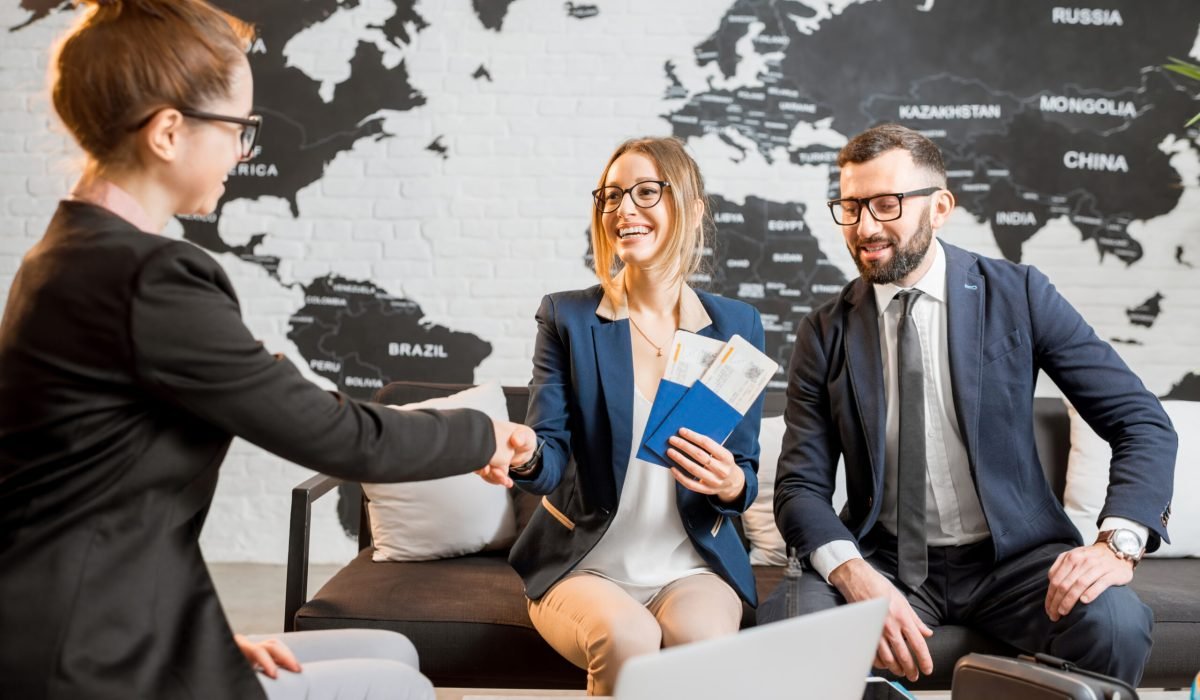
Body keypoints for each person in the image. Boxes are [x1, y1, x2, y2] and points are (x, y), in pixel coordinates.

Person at [0, 1, 534, 698]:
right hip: (87, 654)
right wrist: (484, 433)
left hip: (85, 619)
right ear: (168, 132)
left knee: (393, 655)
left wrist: (196, 636)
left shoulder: (64, 254)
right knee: (396, 687)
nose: (245, 151)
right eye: (237, 129)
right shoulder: (149, 279)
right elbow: (339, 437)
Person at [760, 124, 1177, 687]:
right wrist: (855, 574)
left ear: (941, 206)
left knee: (1115, 623)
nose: (865, 227)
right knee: (796, 626)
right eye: (851, 207)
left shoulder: (1019, 294)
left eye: (886, 204)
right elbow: (800, 488)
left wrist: (1117, 544)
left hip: (1017, 563)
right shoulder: (824, 331)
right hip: (885, 558)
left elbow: (1140, 421)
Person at [500, 137, 765, 695]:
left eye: (647, 192)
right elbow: (548, 459)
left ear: (690, 208)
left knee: (706, 647)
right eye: (612, 196)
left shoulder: (735, 325)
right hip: (586, 564)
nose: (624, 210)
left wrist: (732, 480)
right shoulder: (567, 317)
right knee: (630, 639)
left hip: (691, 565)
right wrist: (525, 455)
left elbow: (743, 472)